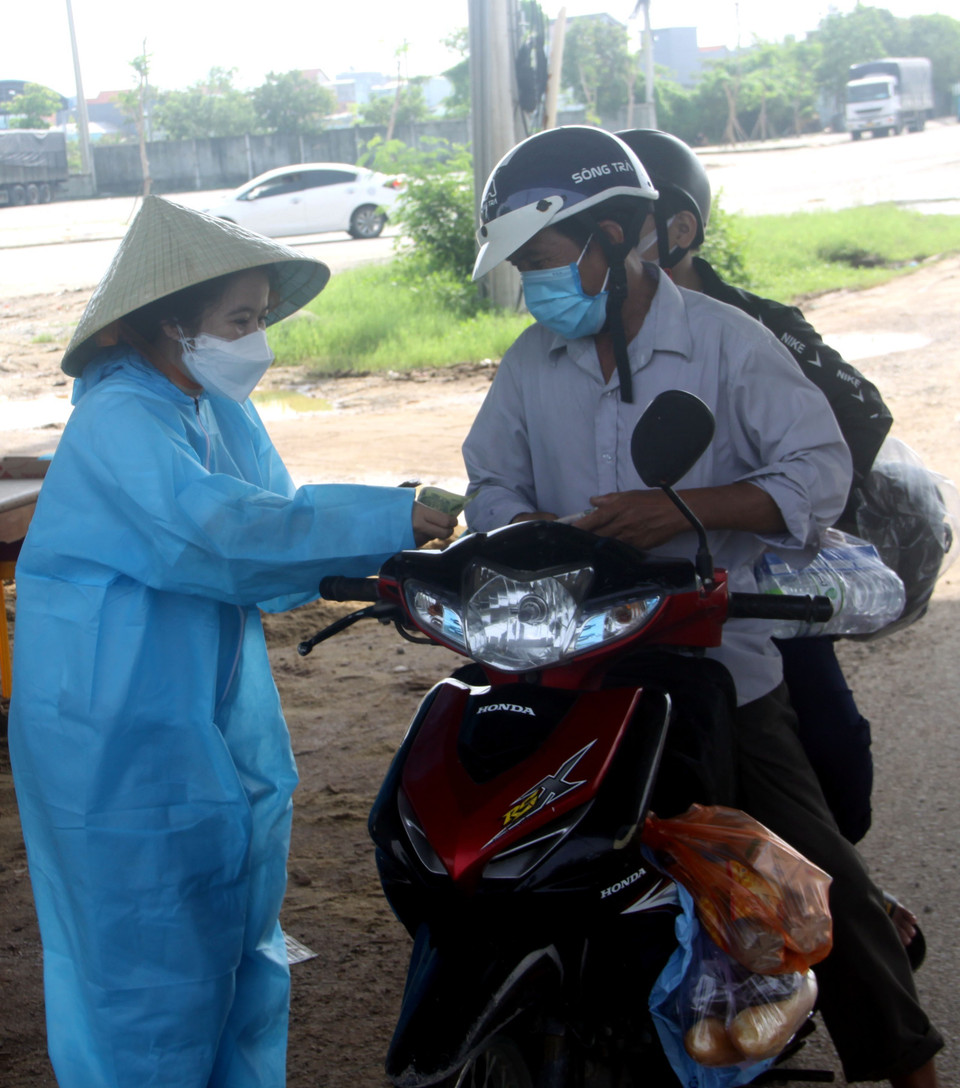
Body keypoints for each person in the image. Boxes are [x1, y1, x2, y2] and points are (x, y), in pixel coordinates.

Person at [462, 126, 941, 1087]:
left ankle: (908, 1065)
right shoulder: (529, 366)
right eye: (521, 266)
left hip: (722, 668)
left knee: (816, 881)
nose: (533, 284)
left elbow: (816, 471)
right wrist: (536, 534)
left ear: (620, 236)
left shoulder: (727, 345)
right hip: (580, 668)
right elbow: (489, 487)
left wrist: (681, 511)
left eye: (544, 260)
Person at [8, 195, 455, 1088]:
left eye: (260, 316)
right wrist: (388, 517)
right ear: (170, 323)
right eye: (239, 320)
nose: (258, 339)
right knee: (143, 961)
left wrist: (390, 552)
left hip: (196, 691)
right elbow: (219, 534)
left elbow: (276, 522)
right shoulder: (119, 419)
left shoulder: (210, 407)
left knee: (236, 927)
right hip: (113, 718)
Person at [613, 128, 924, 955]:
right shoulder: (558, 348)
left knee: (829, 757)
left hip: (753, 594)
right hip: (619, 606)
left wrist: (765, 506)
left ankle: (832, 907)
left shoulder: (755, 328)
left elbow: (854, 423)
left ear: (676, 230)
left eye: (620, 224)